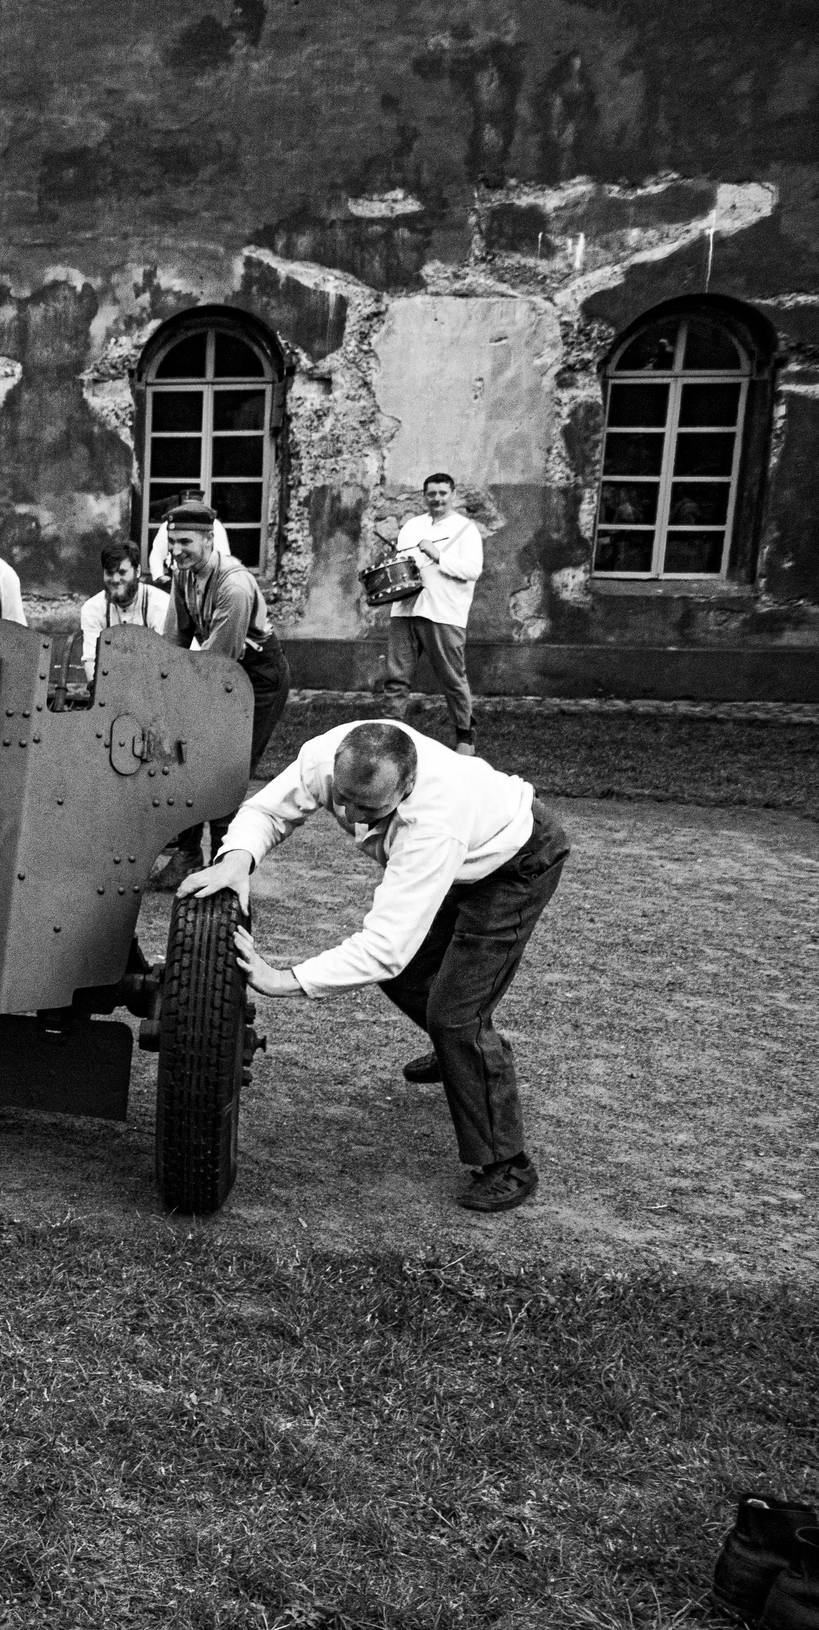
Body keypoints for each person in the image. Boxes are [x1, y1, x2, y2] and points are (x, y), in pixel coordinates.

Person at [180, 720, 569, 1213]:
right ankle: (461, 1055)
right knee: (411, 982)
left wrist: (286, 979)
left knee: (457, 1015)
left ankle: (507, 1163)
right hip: (464, 855)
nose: (350, 815)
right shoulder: (328, 756)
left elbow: (386, 946)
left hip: (516, 863)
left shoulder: (435, 820)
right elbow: (266, 811)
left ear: (406, 787)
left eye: (370, 808)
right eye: (342, 799)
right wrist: (238, 858)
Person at [163, 499, 289, 872]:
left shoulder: (233, 585)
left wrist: (184, 700)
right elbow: (174, 640)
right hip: (219, 673)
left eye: (185, 542)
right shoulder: (183, 574)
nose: (176, 550)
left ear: (208, 540)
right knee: (184, 757)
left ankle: (224, 865)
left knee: (226, 771)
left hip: (258, 679)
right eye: (172, 542)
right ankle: (186, 857)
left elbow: (220, 662)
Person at [383, 472, 483, 757]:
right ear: (424, 496)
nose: (436, 499)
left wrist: (439, 555)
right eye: (431, 494)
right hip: (404, 609)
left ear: (453, 494)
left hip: (444, 612)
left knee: (452, 678)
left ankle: (465, 735)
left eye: (442, 493)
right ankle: (391, 730)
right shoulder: (412, 526)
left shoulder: (466, 529)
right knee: (396, 676)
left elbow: (473, 570)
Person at [77, 541, 175, 681]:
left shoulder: (161, 605)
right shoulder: (93, 609)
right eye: (110, 573)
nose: (116, 579)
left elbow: (166, 664)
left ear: (138, 571)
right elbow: (92, 661)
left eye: (122, 572)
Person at [145, 487, 229, 588]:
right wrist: (159, 577)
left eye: (185, 541)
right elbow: (157, 553)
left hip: (207, 582)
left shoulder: (215, 526)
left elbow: (224, 558)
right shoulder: (168, 526)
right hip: (176, 580)